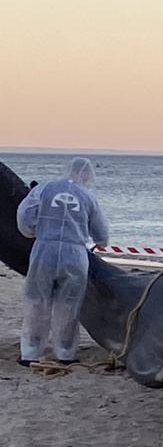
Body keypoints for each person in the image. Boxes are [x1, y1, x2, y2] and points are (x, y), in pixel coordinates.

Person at [15, 157, 110, 366]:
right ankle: (65, 353)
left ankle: (30, 352)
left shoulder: (45, 188)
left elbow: (24, 214)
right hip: (75, 255)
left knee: (36, 301)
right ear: (87, 174)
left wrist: (30, 231)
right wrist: (102, 242)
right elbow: (101, 229)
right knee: (69, 304)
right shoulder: (88, 197)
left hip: (44, 251)